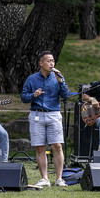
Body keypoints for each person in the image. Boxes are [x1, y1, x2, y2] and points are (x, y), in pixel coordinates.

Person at [21, 51, 70, 187]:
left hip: (53, 114)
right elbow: (23, 97)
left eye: (53, 61)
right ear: (41, 63)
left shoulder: (58, 77)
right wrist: (33, 95)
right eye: (48, 61)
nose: (52, 64)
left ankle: (59, 178)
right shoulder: (32, 79)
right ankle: (45, 178)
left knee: (57, 145)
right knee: (40, 148)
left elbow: (66, 96)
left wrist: (61, 82)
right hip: (37, 114)